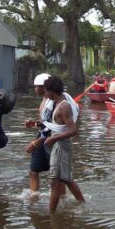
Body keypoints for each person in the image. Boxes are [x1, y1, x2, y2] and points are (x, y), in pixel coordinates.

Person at [42, 76, 85, 212]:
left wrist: (53, 139)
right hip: (59, 145)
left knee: (54, 182)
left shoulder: (64, 106)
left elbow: (73, 130)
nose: (44, 93)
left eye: (45, 90)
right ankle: (83, 205)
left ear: (51, 91)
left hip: (61, 146)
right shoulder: (57, 104)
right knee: (66, 179)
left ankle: (52, 215)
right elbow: (57, 125)